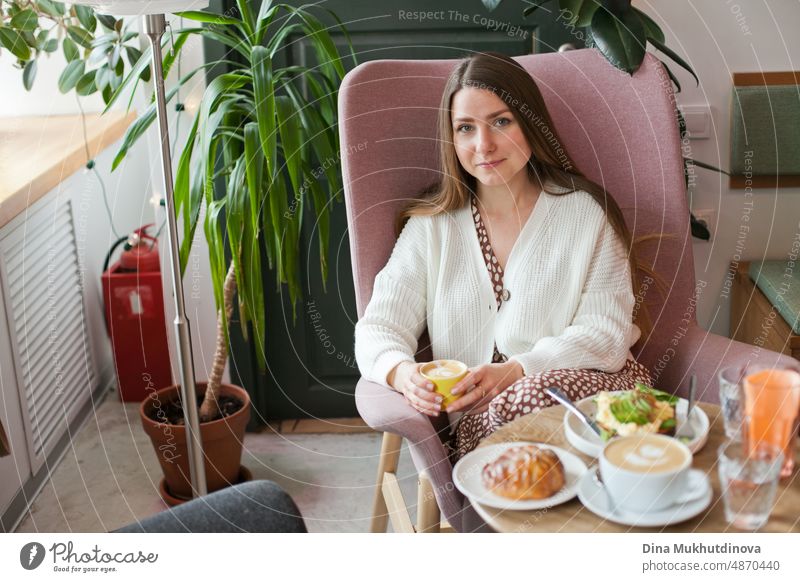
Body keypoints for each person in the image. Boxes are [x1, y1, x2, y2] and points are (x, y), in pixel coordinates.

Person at [354, 52, 654, 460]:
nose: (484, 145)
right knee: (523, 433)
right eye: (465, 128)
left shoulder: (585, 213)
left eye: (501, 121)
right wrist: (402, 374)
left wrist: (519, 371)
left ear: (530, 124)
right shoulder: (432, 226)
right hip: (487, 423)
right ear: (452, 139)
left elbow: (607, 333)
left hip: (597, 398)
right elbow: (378, 327)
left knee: (533, 399)